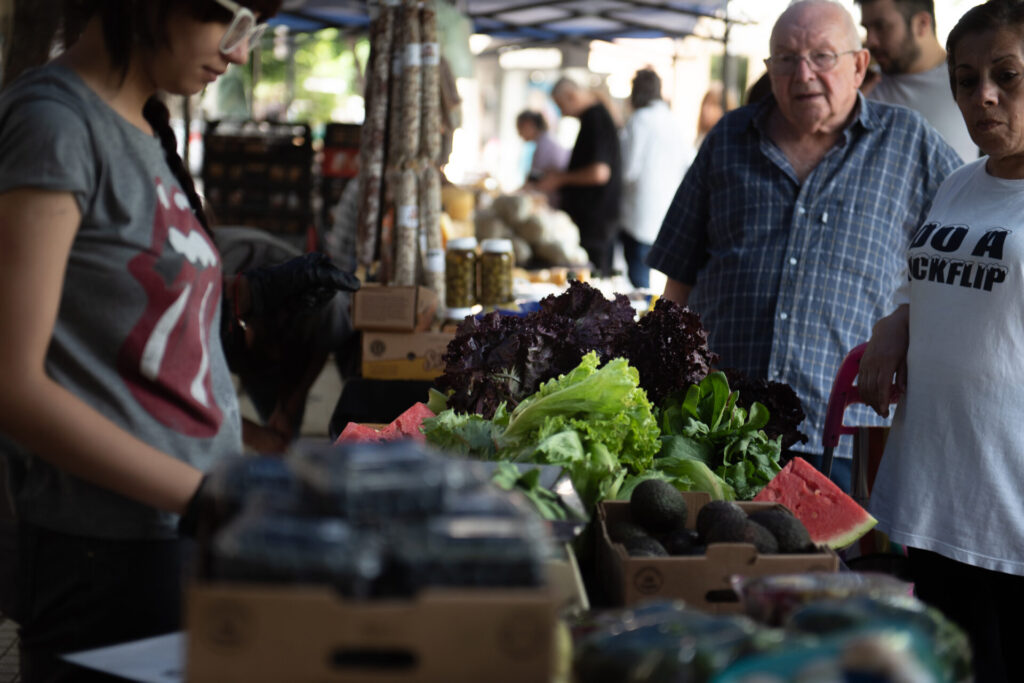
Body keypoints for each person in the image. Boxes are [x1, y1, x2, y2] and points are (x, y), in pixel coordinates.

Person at [0, 1, 360, 680]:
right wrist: (202, 496)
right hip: (104, 553)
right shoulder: (55, 123)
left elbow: (136, 342)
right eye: (235, 21)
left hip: (175, 536)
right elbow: (13, 385)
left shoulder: (144, 126)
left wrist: (247, 457)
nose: (240, 52)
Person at [646, 0, 962, 492]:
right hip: (718, 428)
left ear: (859, 65)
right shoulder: (729, 137)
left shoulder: (910, 143)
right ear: (770, 70)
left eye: (822, 57)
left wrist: (907, 322)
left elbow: (964, 252)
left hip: (845, 432)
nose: (804, 74)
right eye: (787, 59)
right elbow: (678, 277)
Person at [857, 1, 1024, 678]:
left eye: (1007, 75)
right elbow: (922, 283)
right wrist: (897, 322)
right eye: (966, 79)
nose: (984, 95)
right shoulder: (957, 184)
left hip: (1010, 516)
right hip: (932, 497)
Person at [856, 0, 978, 163]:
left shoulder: (970, 83)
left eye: (881, 26)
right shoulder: (861, 86)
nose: (870, 41)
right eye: (866, 29)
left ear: (922, 24)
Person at [536, 76, 622, 276]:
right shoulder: (592, 117)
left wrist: (560, 178)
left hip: (595, 222)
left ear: (571, 96)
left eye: (560, 105)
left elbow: (599, 173)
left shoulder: (596, 119)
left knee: (592, 283)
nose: (562, 113)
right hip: (593, 221)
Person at [619, 68, 691, 289]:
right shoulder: (673, 120)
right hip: (665, 211)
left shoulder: (639, 120)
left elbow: (628, 171)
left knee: (638, 281)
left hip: (639, 214)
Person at [515, 109, 570, 208]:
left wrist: (514, 194)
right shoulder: (545, 141)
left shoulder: (545, 145)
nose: (519, 134)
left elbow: (533, 182)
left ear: (528, 124)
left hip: (556, 201)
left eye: (520, 128)